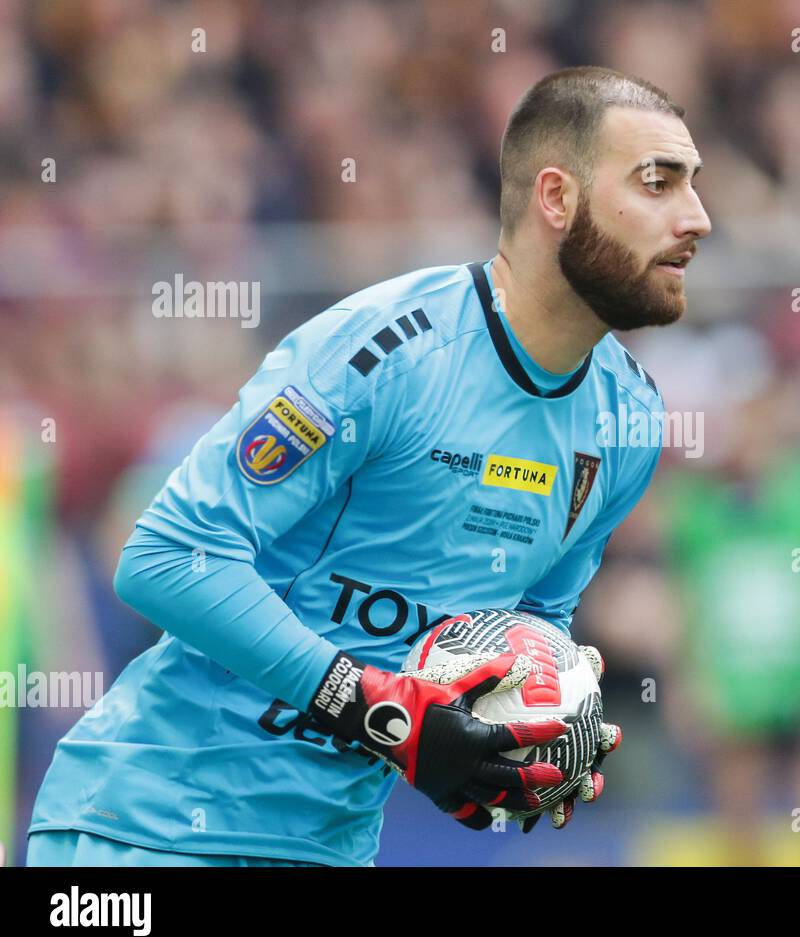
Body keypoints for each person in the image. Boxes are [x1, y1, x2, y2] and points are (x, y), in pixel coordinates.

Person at [26, 65, 711, 867]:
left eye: (694, 185)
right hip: (147, 831)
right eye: (658, 183)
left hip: (334, 850)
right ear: (555, 199)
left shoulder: (628, 424)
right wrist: (381, 708)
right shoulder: (383, 352)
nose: (696, 217)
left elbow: (530, 632)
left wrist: (535, 728)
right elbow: (165, 558)